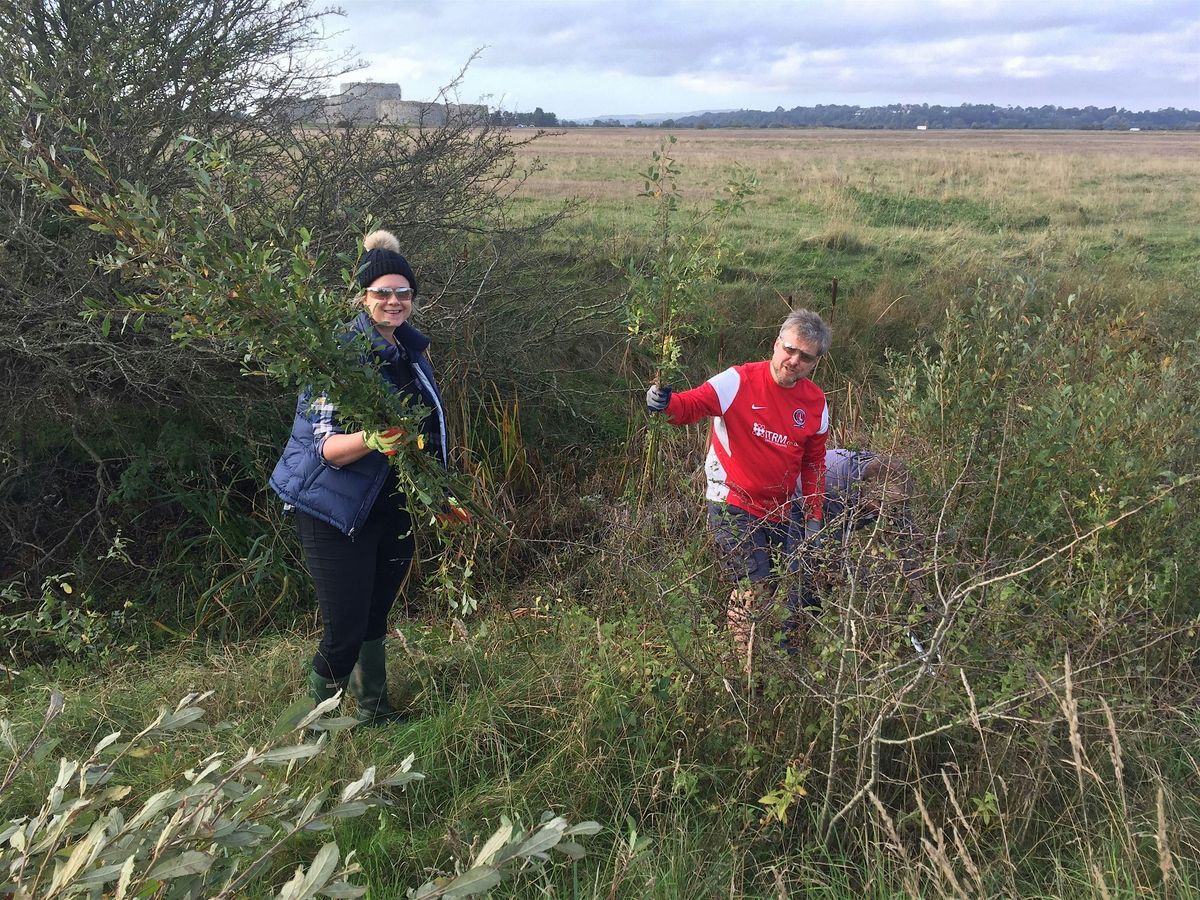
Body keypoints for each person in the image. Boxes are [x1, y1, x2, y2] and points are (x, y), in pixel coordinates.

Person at [269, 229, 457, 724]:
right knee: (344, 631)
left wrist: (438, 494)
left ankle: (374, 711)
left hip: (393, 506)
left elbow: (428, 432)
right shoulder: (338, 356)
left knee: (375, 617)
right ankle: (306, 733)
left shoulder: (413, 351)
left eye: (403, 293)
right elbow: (324, 447)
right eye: (382, 293)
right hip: (335, 509)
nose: (394, 302)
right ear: (363, 297)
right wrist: (372, 439)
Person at [646, 309, 832, 667]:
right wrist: (665, 402)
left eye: (805, 357)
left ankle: (760, 662)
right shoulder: (738, 381)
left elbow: (813, 463)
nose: (794, 361)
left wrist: (813, 517)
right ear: (776, 344)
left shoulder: (815, 403)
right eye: (790, 349)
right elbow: (691, 405)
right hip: (731, 499)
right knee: (754, 584)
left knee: (771, 587)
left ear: (815, 362)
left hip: (778, 509)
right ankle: (743, 671)